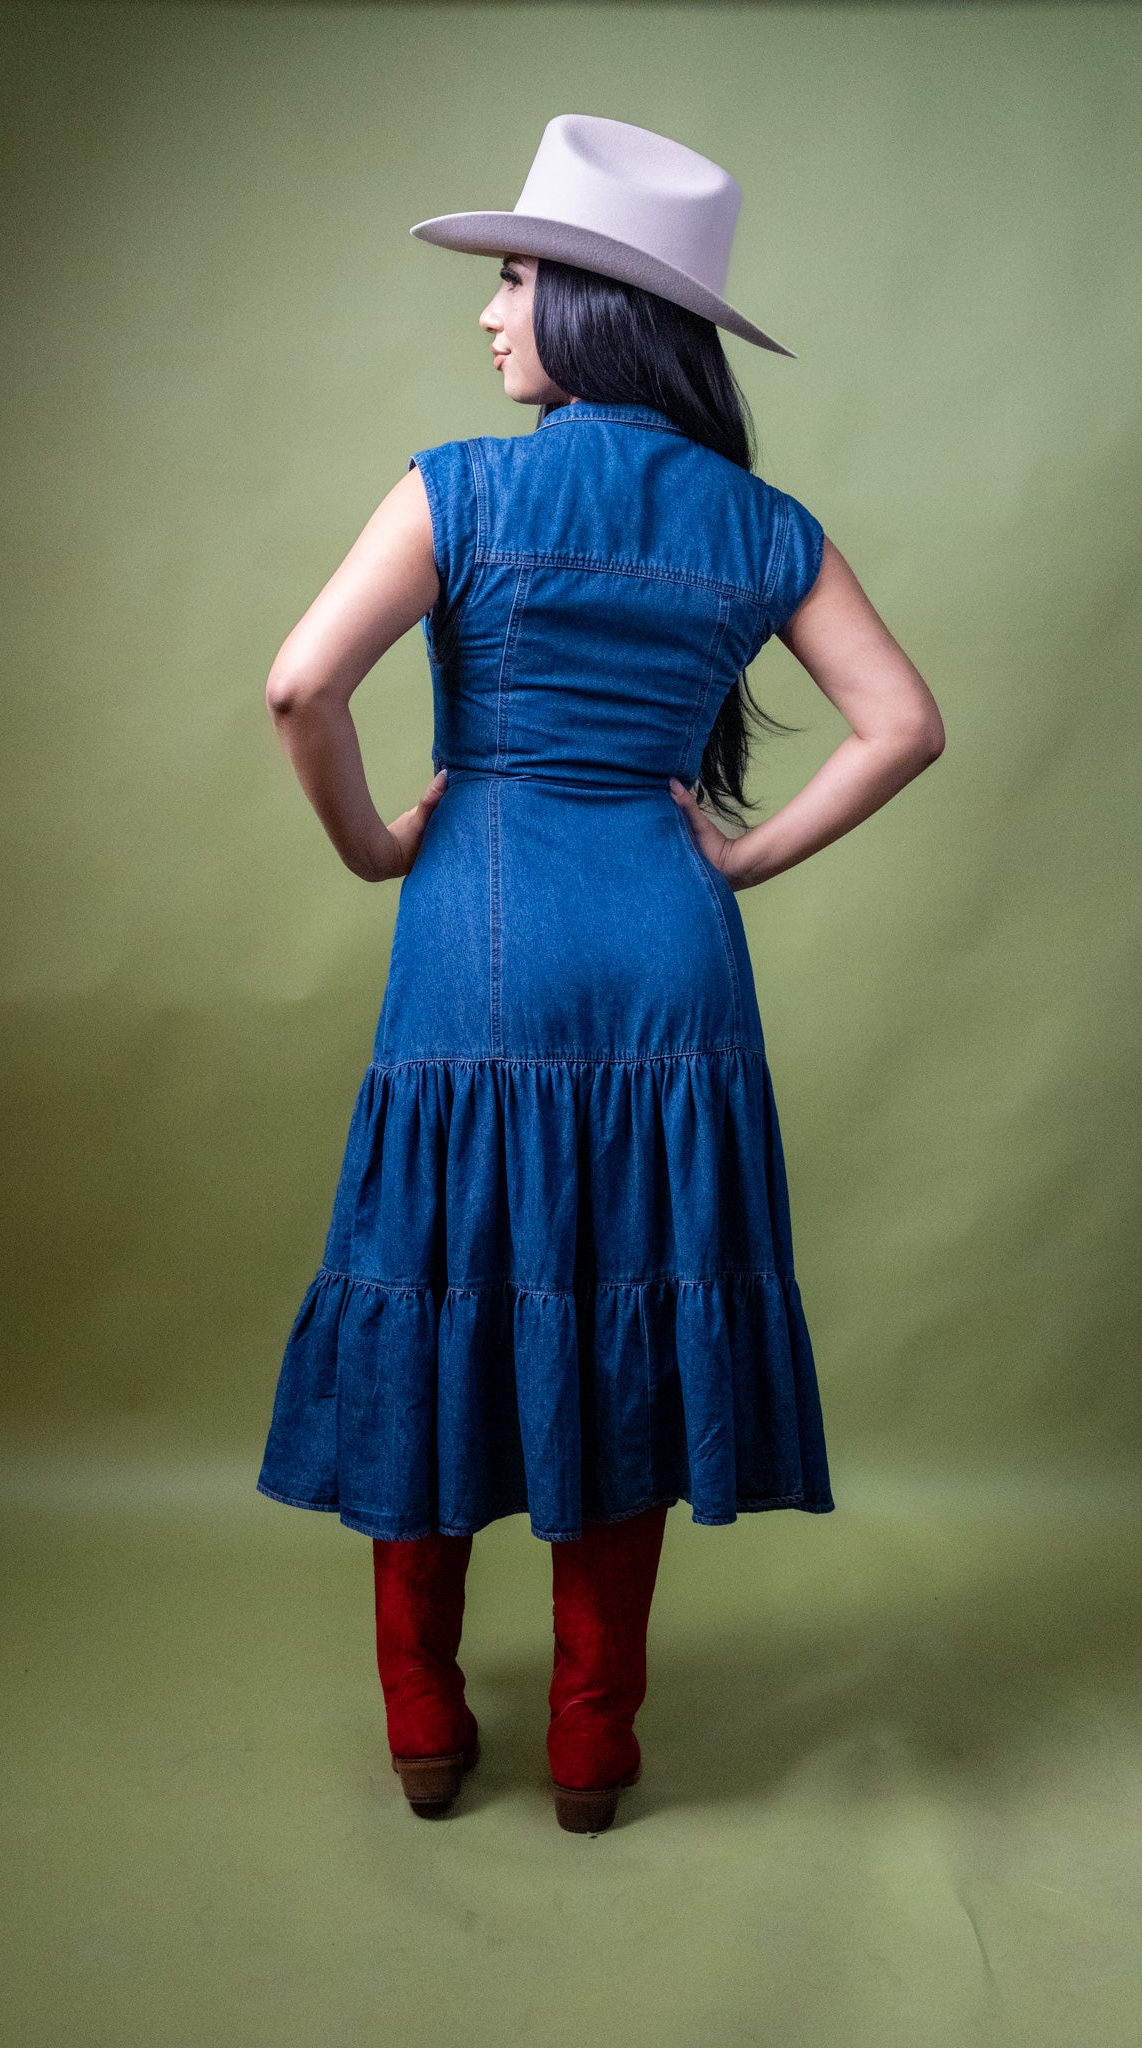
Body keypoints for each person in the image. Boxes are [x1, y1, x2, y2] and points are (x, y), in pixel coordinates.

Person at [256, 115, 945, 1834]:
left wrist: (372, 846)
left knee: (438, 1297)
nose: (491, 313)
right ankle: (590, 1739)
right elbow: (904, 725)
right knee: (630, 1300)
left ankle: (426, 1721)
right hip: (667, 954)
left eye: (513, 279)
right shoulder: (762, 522)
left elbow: (300, 687)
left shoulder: (460, 489)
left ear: (591, 305)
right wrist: (739, 859)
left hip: (476, 944)